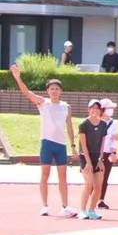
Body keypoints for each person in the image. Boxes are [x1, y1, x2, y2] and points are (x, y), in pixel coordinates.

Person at [8, 65, 77, 217]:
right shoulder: (43, 103)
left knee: (63, 176)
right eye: (51, 89)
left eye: (57, 89)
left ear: (61, 91)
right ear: (47, 91)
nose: (54, 91)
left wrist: (73, 146)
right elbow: (26, 93)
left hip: (61, 145)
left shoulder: (66, 107)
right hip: (47, 143)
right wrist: (17, 77)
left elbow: (70, 127)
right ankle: (45, 206)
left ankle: (65, 206)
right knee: (45, 175)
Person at [75, 98, 110, 220]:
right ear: (88, 109)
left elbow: (102, 144)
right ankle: (82, 210)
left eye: (97, 108)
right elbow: (83, 145)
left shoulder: (103, 124)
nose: (95, 110)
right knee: (88, 184)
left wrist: (100, 159)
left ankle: (91, 210)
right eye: (92, 108)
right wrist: (88, 163)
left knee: (98, 186)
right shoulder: (83, 124)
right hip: (85, 157)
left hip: (97, 157)